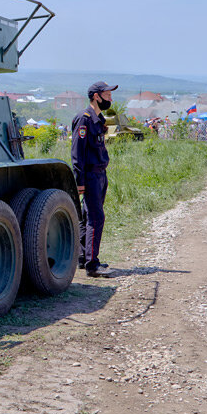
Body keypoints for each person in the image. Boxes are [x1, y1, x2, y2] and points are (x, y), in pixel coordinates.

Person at [71, 81, 117, 278]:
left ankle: (83, 258)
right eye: (107, 95)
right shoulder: (84, 118)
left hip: (100, 174)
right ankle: (92, 265)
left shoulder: (97, 118)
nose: (110, 98)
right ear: (96, 96)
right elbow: (77, 153)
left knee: (87, 217)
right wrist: (79, 181)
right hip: (89, 176)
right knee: (96, 218)